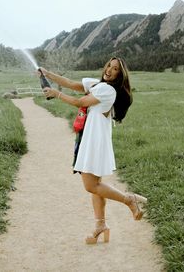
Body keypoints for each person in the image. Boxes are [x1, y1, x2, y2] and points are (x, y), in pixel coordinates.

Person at [38, 57, 147, 244]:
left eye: (115, 70)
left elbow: (80, 101)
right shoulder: (97, 84)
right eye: (109, 66)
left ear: (119, 76)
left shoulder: (108, 90)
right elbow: (72, 84)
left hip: (94, 140)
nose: (110, 70)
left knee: (91, 185)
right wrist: (47, 73)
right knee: (96, 187)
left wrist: (56, 94)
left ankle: (128, 199)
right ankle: (100, 225)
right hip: (91, 137)